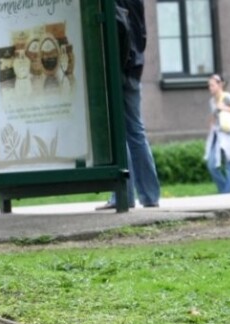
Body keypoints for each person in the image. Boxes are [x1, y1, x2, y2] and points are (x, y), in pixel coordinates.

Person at [97, 0, 161, 210]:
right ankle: (150, 196)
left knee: (119, 133)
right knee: (136, 132)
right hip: (134, 66)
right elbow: (141, 33)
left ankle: (123, 195)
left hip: (117, 66)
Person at [203, 74, 230, 194]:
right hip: (216, 135)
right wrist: (210, 125)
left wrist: (224, 108)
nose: (210, 87)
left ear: (220, 85)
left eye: (212, 85)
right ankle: (226, 192)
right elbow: (214, 115)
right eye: (209, 85)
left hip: (228, 134)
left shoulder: (227, 97)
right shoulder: (212, 101)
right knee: (212, 165)